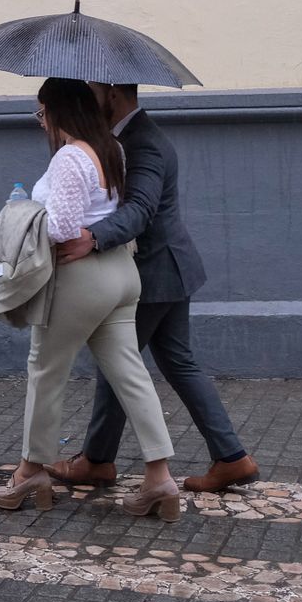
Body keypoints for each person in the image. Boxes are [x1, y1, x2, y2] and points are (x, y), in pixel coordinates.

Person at [49, 83, 258, 494]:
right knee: (178, 362)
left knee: (117, 363)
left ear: (111, 93)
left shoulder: (142, 143)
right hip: (171, 268)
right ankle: (232, 457)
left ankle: (97, 461)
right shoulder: (127, 138)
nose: (86, 101)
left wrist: (92, 237)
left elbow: (140, 210)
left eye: (91, 92)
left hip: (155, 272)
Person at [0, 78, 180, 519]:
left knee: (45, 370)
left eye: (41, 112)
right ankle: (159, 477)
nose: (40, 122)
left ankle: (29, 472)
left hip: (79, 279)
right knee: (130, 372)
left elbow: (61, 228)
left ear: (60, 112)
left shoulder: (70, 157)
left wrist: (23, 212)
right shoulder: (112, 149)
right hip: (121, 273)